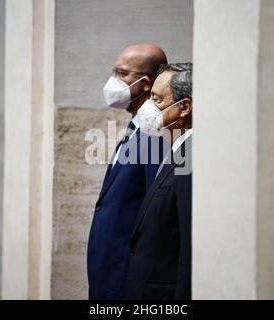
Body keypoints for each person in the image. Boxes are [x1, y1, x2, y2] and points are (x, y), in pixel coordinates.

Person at [87, 44, 167, 299]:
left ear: (147, 83)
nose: (113, 81)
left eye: (122, 74)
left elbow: (156, 213)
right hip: (109, 275)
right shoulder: (137, 126)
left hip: (126, 281)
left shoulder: (156, 133)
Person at [125, 63, 193, 300]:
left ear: (184, 107)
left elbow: (189, 246)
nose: (147, 107)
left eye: (157, 99)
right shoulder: (175, 150)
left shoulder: (191, 161)